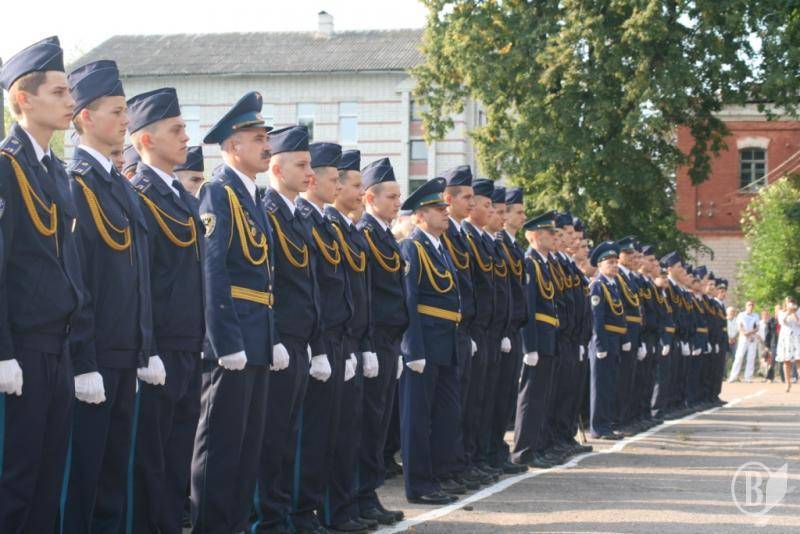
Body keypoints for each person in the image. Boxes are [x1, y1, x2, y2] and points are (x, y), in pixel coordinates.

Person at [63, 60, 155, 534]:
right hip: (95, 354)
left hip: (122, 352)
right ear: (85, 117)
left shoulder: (118, 184)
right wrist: (82, 361)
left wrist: (144, 347)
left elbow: (136, 277)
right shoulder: (77, 183)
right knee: (82, 480)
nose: (125, 120)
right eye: (117, 111)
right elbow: (76, 279)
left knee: (113, 477)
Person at [0, 36, 84, 534]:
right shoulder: (6, 166)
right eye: (58, 91)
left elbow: (66, 263)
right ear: (23, 99)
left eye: (69, 91)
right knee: (16, 479)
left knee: (50, 477)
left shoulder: (54, 168)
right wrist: (2, 351)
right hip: (23, 348)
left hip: (59, 343)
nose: (70, 100)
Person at [193, 91, 277, 533]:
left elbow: (264, 276)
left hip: (257, 336)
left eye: (266, 137)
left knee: (248, 449)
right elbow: (213, 270)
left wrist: (271, 337)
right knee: (221, 447)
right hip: (233, 340)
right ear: (231, 145)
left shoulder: (252, 197)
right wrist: (225, 340)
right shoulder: (218, 193)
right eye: (257, 138)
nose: (266, 145)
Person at [128, 87, 205, 533]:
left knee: (178, 454)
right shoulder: (140, 194)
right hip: (158, 346)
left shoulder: (180, 196)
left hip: (188, 340)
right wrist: (148, 347)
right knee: (150, 458)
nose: (185, 138)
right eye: (176, 130)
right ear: (146, 139)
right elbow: (140, 280)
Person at [250, 125, 325, 534]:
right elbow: (268, 281)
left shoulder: (297, 215)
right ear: (277, 170)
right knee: (270, 438)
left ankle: (280, 515)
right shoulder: (268, 212)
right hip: (278, 341)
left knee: (287, 435)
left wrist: (314, 342)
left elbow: (309, 284)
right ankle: (267, 519)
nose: (309, 173)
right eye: (301, 165)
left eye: (310, 165)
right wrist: (275, 338)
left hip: (298, 340)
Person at [293, 143, 352, 534]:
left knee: (328, 433)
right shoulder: (303, 219)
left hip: (334, 338)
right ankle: (298, 514)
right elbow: (306, 287)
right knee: (308, 435)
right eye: (334, 179)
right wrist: (317, 345)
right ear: (312, 180)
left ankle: (311, 512)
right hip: (315, 338)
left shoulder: (325, 223)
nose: (339, 186)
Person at [398, 177, 461, 505]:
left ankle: (437, 476)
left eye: (444, 207)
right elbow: (409, 300)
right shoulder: (413, 247)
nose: (445, 212)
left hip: (446, 342)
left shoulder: (439, 247)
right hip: (425, 342)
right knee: (418, 419)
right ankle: (419, 484)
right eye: (438, 208)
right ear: (420, 216)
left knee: (445, 414)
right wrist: (413, 348)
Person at [324, 144, 376, 532]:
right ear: (337, 186)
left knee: (350, 431)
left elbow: (361, 292)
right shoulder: (328, 226)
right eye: (356, 186)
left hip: (353, 341)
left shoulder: (347, 229)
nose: (361, 193)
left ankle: (348, 505)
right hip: (330, 340)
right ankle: (332, 510)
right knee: (329, 435)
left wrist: (364, 343)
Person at [356, 156, 408, 526]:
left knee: (378, 423)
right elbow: (365, 294)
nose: (397, 203)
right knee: (366, 423)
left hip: (390, 340)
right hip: (373, 338)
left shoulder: (385, 235)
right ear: (370, 198)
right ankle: (360, 494)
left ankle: (368, 494)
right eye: (391, 197)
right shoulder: (365, 234)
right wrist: (367, 345)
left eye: (398, 196)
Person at [512, 211, 563, 463]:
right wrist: (529, 346)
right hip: (537, 338)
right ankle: (524, 451)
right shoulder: (530, 262)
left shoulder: (545, 263)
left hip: (548, 335)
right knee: (531, 396)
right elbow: (528, 307)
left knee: (543, 395)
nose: (554, 237)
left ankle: (538, 447)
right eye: (549, 232)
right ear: (533, 236)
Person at [587, 241, 627, 440]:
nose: (615, 265)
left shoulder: (613, 286)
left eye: (616, 262)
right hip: (603, 341)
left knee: (610, 385)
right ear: (600, 265)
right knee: (600, 386)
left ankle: (607, 424)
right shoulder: (598, 286)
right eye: (610, 262)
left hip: (614, 340)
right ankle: (598, 427)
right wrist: (600, 345)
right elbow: (597, 318)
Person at [728, 301, 760, 383]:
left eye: (752, 305)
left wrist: (750, 333)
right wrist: (744, 333)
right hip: (743, 337)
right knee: (739, 356)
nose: (751, 306)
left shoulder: (756, 315)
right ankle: (733, 377)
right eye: (749, 305)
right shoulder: (741, 315)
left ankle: (748, 377)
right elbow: (739, 326)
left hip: (752, 338)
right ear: (746, 306)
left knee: (751, 357)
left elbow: (757, 327)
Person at [775, 297, 800, 392]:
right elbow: (782, 322)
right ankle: (788, 383)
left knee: (799, 360)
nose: (790, 304)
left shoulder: (798, 311)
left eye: (792, 302)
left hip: (797, 338)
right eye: (788, 302)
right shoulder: (781, 312)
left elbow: (799, 323)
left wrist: (794, 313)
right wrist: (788, 312)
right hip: (786, 338)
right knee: (786, 361)